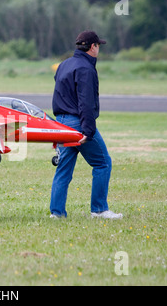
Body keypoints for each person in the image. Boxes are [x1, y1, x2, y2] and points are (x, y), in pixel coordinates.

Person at [49, 30, 122, 219]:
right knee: (103, 163)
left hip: (61, 122)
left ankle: (57, 213)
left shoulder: (63, 65)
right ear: (92, 47)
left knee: (64, 169)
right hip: (78, 123)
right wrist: (88, 131)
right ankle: (99, 210)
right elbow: (86, 102)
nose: (99, 49)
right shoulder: (86, 69)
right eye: (98, 45)